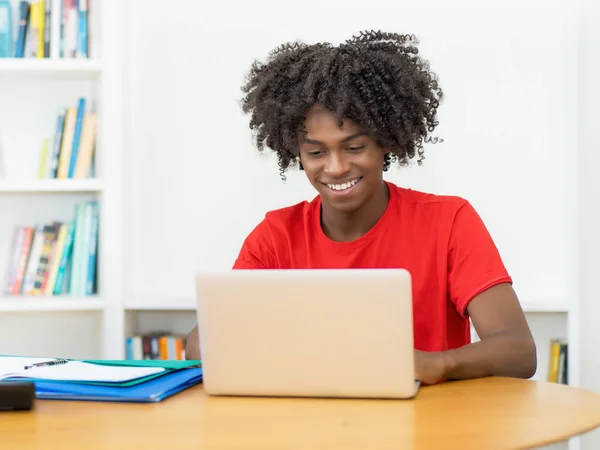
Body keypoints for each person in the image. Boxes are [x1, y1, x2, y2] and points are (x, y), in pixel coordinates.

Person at [185, 30, 537, 385]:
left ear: (387, 142)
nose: (335, 167)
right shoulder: (276, 237)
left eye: (354, 148)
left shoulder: (448, 222)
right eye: (316, 152)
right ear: (297, 153)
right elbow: (200, 345)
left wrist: (433, 364)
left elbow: (518, 350)